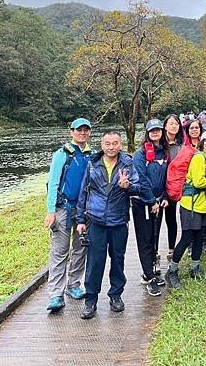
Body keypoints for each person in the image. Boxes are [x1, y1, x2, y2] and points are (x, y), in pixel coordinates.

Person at [76, 131, 140, 319]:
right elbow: (83, 193)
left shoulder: (128, 164)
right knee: (95, 262)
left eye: (115, 143)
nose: (111, 147)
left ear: (120, 145)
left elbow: (138, 187)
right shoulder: (92, 165)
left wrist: (127, 185)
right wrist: (80, 220)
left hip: (119, 220)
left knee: (118, 260)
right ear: (101, 145)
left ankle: (116, 295)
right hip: (96, 220)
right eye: (107, 144)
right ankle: (90, 300)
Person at [44, 117, 92, 312]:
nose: (82, 133)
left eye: (85, 130)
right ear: (71, 131)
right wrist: (50, 211)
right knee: (59, 251)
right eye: (78, 130)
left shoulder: (92, 155)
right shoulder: (62, 154)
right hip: (63, 208)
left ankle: (74, 285)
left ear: (89, 132)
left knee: (81, 249)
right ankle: (56, 294)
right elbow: (53, 183)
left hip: (84, 210)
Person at [165, 131, 206, 288]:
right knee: (187, 237)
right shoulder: (198, 158)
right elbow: (198, 182)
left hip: (202, 205)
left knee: (199, 237)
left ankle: (194, 267)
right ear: (202, 143)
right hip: (191, 205)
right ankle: (172, 271)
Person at [132, 119, 168, 296]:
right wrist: (151, 201)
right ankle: (148, 276)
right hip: (143, 203)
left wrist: (164, 197)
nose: (155, 133)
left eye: (158, 130)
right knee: (145, 239)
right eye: (152, 130)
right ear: (147, 132)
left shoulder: (164, 152)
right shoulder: (140, 154)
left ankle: (152, 270)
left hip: (159, 202)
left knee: (154, 236)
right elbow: (141, 179)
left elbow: (167, 176)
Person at [158, 114, 185, 264]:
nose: (174, 126)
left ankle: (171, 248)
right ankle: (154, 250)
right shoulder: (159, 144)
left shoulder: (181, 146)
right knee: (157, 219)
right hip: (158, 185)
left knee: (171, 218)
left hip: (172, 186)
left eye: (176, 123)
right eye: (171, 123)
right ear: (165, 126)